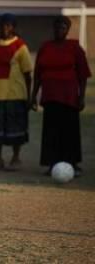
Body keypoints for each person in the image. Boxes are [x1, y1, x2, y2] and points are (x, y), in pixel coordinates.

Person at [31, 16, 91, 177]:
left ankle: (72, 164)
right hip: (50, 97)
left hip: (69, 97)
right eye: (57, 27)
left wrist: (82, 97)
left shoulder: (74, 48)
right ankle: (52, 164)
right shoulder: (46, 47)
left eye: (63, 27)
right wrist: (33, 96)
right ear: (53, 28)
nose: (59, 30)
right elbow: (37, 74)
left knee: (69, 131)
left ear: (67, 30)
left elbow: (83, 75)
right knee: (51, 132)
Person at [0, 13, 32, 171]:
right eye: (3, 24)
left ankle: (16, 158)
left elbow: (27, 73)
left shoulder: (20, 46)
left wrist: (29, 97)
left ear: (14, 28)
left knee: (14, 127)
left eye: (8, 25)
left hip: (14, 94)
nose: (5, 28)